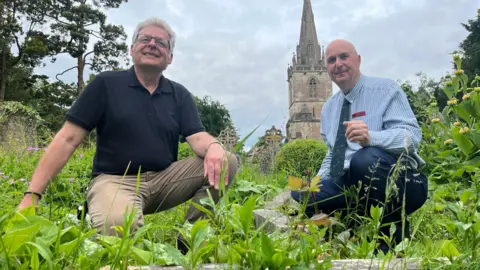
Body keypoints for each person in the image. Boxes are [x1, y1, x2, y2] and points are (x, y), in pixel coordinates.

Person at [17, 17, 238, 250]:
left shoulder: (179, 95)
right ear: (132, 49)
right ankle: (102, 209)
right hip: (115, 180)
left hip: (165, 180)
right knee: (118, 228)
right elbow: (67, 139)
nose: (152, 44)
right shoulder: (106, 85)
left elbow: (198, 137)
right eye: (145, 39)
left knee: (227, 160)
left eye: (162, 43)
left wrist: (214, 146)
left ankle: (188, 239)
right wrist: (33, 194)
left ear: (170, 58)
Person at [291, 39, 428, 254]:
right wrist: (316, 184)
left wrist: (371, 138)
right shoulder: (329, 109)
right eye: (332, 60)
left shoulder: (385, 90)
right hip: (352, 185)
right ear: (326, 67)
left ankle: (391, 242)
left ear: (358, 60)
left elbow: (412, 137)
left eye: (344, 57)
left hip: (403, 182)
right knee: (301, 194)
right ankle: (355, 224)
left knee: (364, 160)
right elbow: (333, 153)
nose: (338, 63)